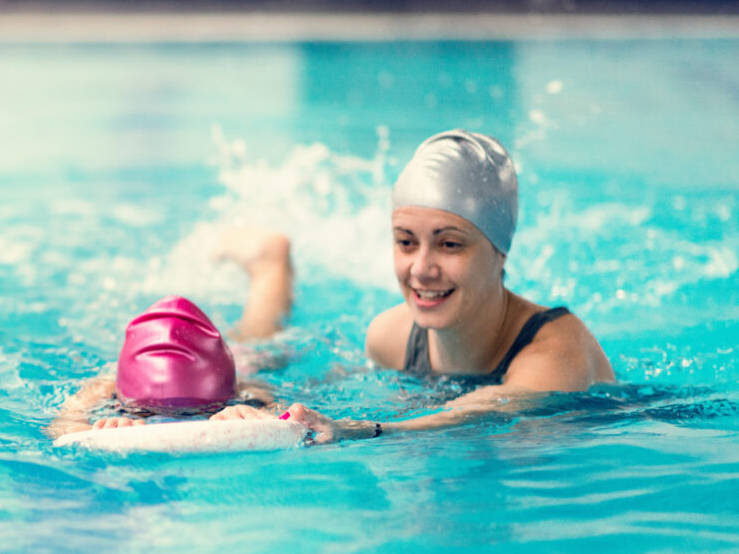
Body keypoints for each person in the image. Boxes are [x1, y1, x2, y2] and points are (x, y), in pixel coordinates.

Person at [261, 129, 614, 443]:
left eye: (449, 245)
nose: (421, 269)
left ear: (500, 251)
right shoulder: (391, 337)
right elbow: (306, 396)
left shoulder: (555, 353)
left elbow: (480, 411)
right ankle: (270, 267)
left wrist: (359, 430)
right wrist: (257, 406)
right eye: (406, 242)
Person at [46, 230, 294, 437]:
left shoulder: (244, 389)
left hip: (237, 366)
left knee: (258, 347)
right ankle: (269, 262)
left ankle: (269, 262)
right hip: (211, 367)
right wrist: (105, 431)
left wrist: (254, 415)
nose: (168, 419)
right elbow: (64, 425)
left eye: (204, 410)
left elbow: (282, 413)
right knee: (255, 340)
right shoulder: (102, 387)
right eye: (145, 412)